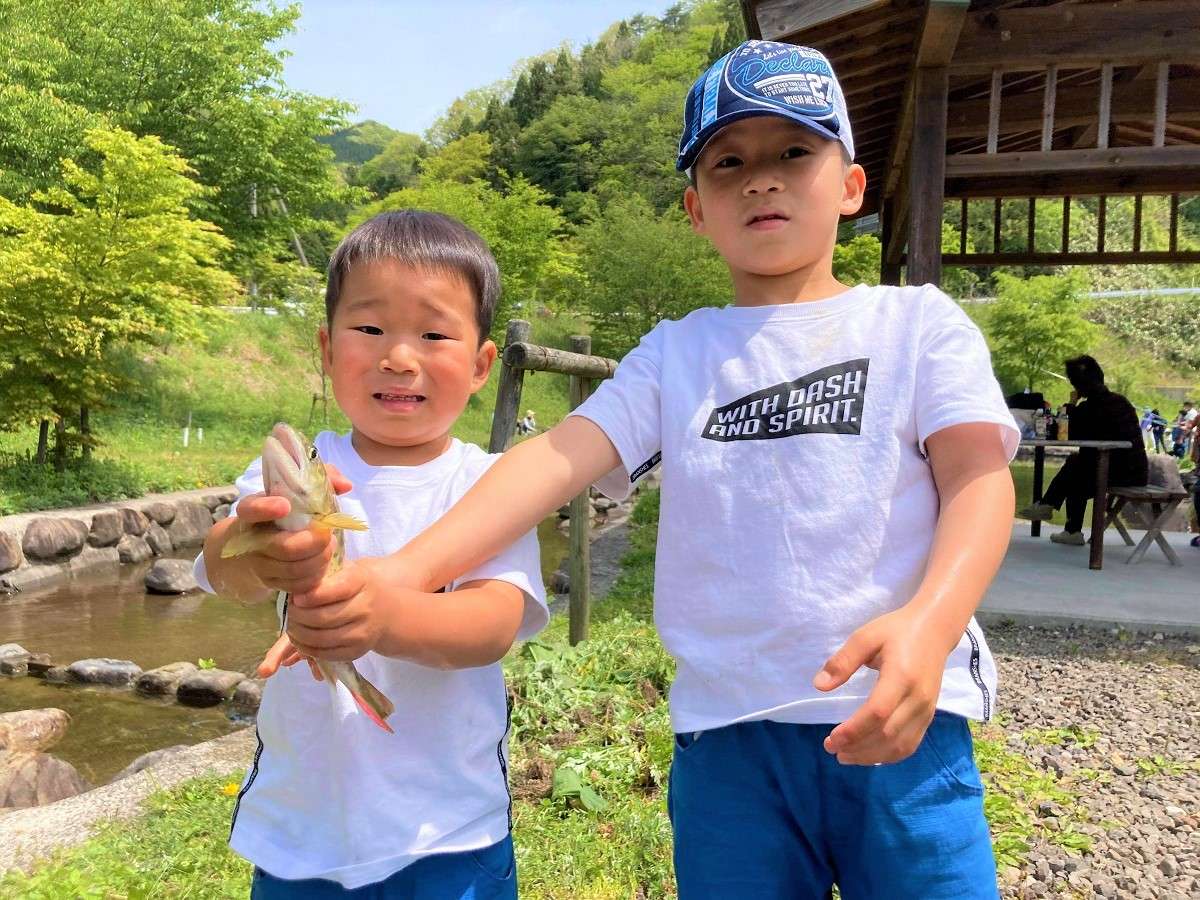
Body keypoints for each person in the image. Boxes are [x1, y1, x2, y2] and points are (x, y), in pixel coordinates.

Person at [284, 41, 1019, 899]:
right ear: (696, 209)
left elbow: (978, 479)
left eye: (794, 152)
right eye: (727, 163)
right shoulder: (678, 354)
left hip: (903, 717)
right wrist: (402, 575)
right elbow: (554, 460)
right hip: (724, 739)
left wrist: (931, 623)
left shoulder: (918, 323)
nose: (760, 179)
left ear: (851, 187)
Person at [196, 211, 548, 898]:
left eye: (433, 333)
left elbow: (494, 624)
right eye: (370, 329)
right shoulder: (309, 462)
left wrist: (384, 618)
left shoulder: (487, 483)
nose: (398, 357)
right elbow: (221, 566)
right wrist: (258, 550)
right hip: (303, 835)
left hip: (450, 831)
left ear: (481, 365)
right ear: (328, 350)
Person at [1022, 355, 1148, 544]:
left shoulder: (1090, 408)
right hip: (1134, 470)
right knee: (1077, 467)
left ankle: (1051, 508)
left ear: (1078, 385)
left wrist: (1071, 404)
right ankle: (1066, 525)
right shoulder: (1120, 402)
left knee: (1076, 468)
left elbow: (1063, 432)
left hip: (1119, 474)